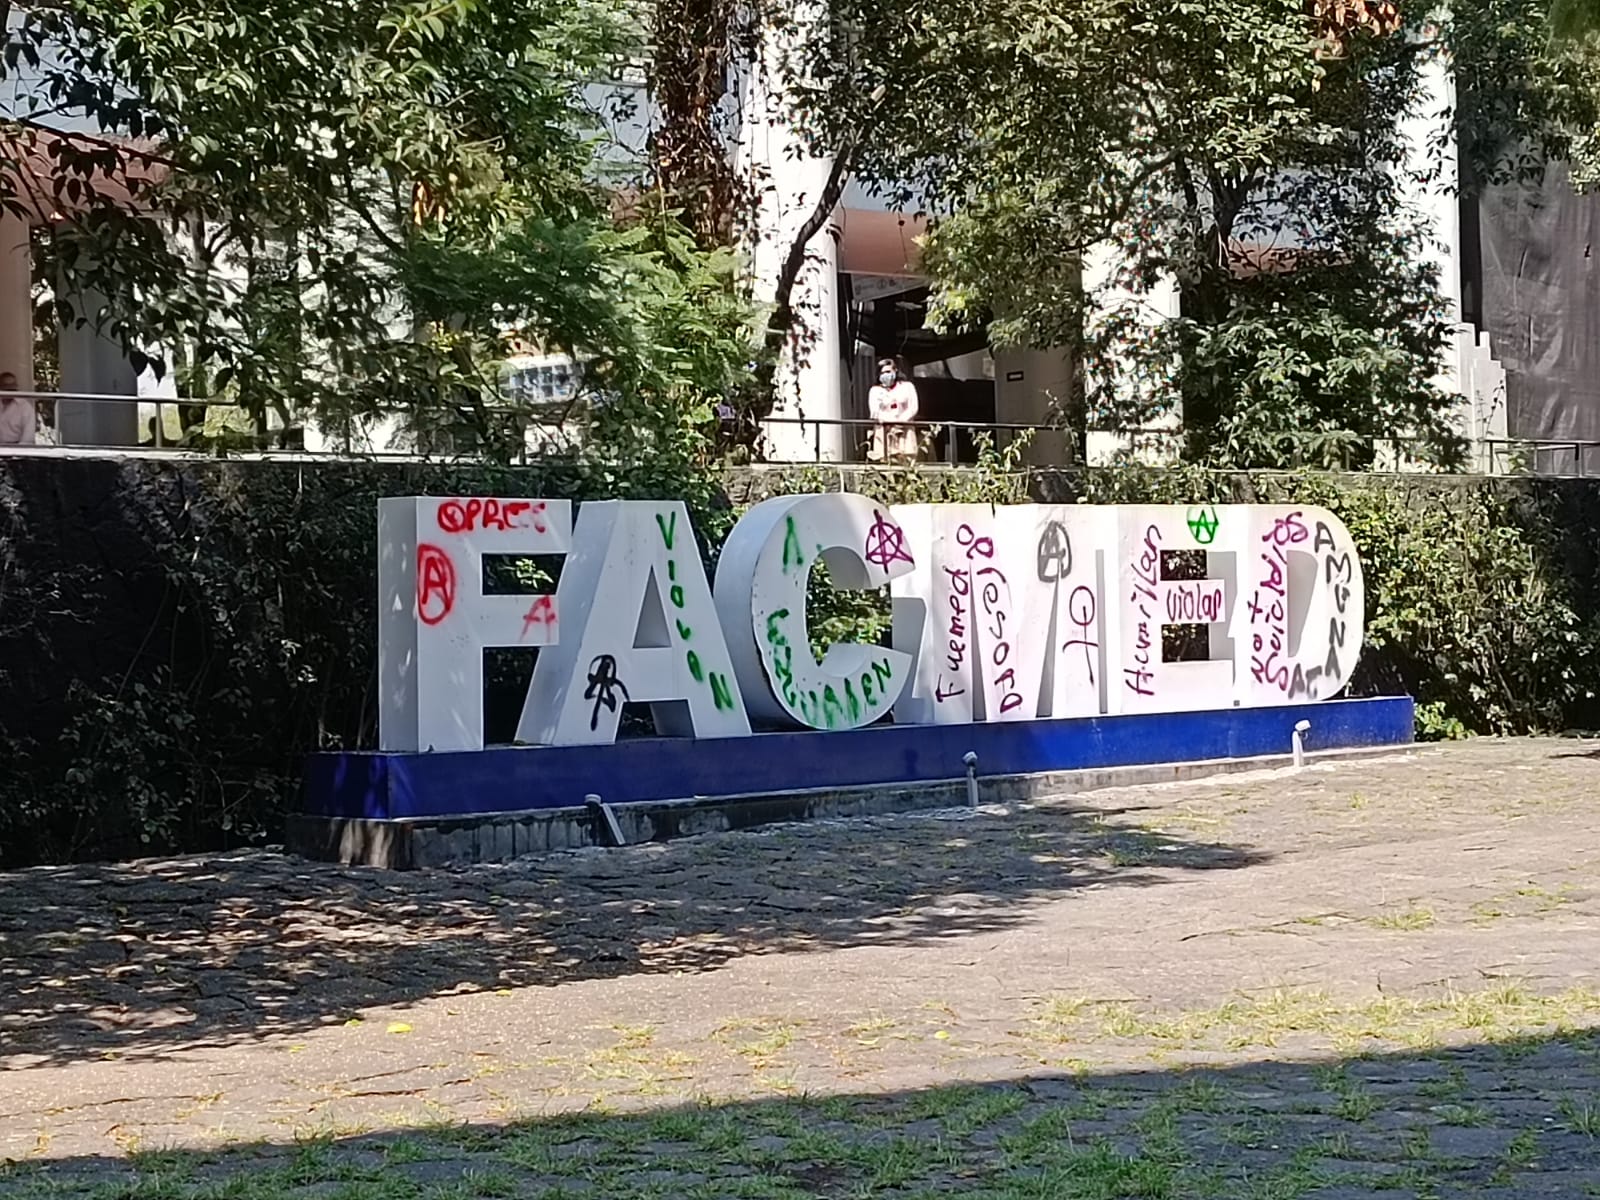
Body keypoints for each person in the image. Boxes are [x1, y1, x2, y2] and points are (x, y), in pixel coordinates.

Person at [867, 357, 919, 463]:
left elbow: (913, 407)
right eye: (882, 373)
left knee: (907, 463)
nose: (885, 375)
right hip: (885, 433)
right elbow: (875, 412)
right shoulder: (875, 391)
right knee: (886, 464)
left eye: (888, 371)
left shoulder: (908, 387)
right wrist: (890, 421)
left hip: (905, 431)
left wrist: (900, 421)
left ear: (895, 370)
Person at [0, 371, 35, 446]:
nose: (10, 389)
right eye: (6, 386)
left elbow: (28, 436)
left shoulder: (25, 406)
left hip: (17, 448)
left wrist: (19, 452)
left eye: (13, 386)